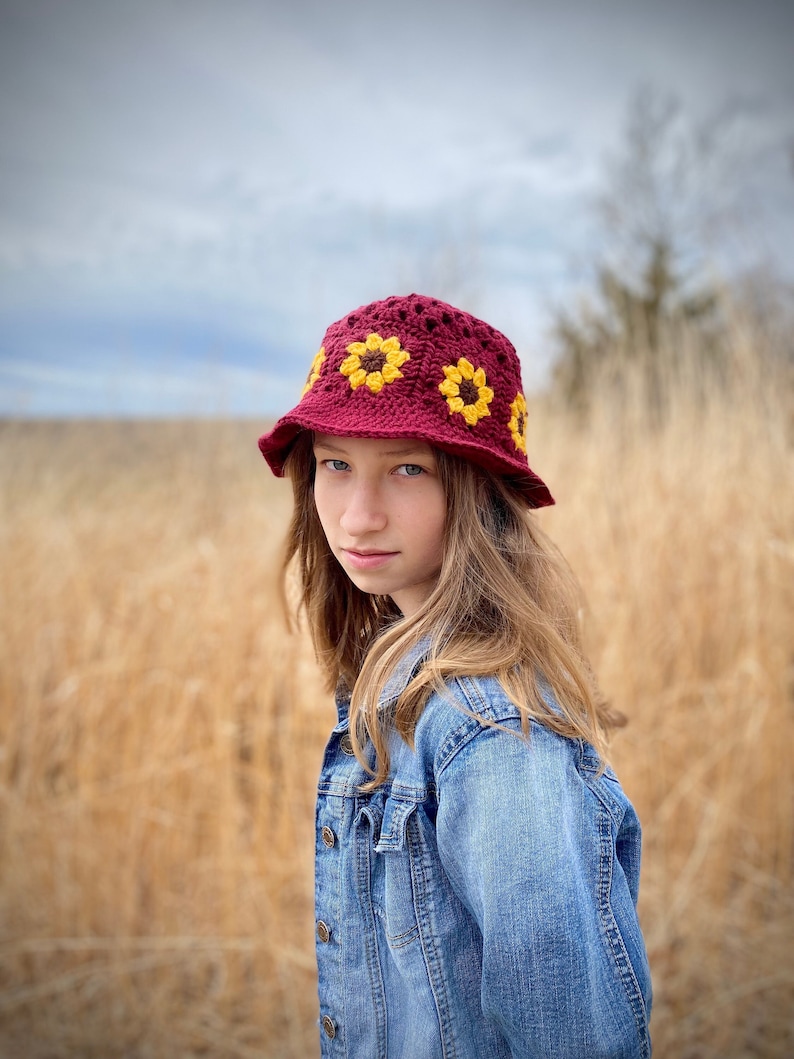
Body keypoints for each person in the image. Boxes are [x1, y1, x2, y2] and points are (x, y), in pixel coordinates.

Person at [258, 293, 652, 1059]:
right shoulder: (399, 677)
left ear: (476, 492)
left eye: (408, 468)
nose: (358, 515)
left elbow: (569, 1034)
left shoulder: (491, 731)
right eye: (336, 464)